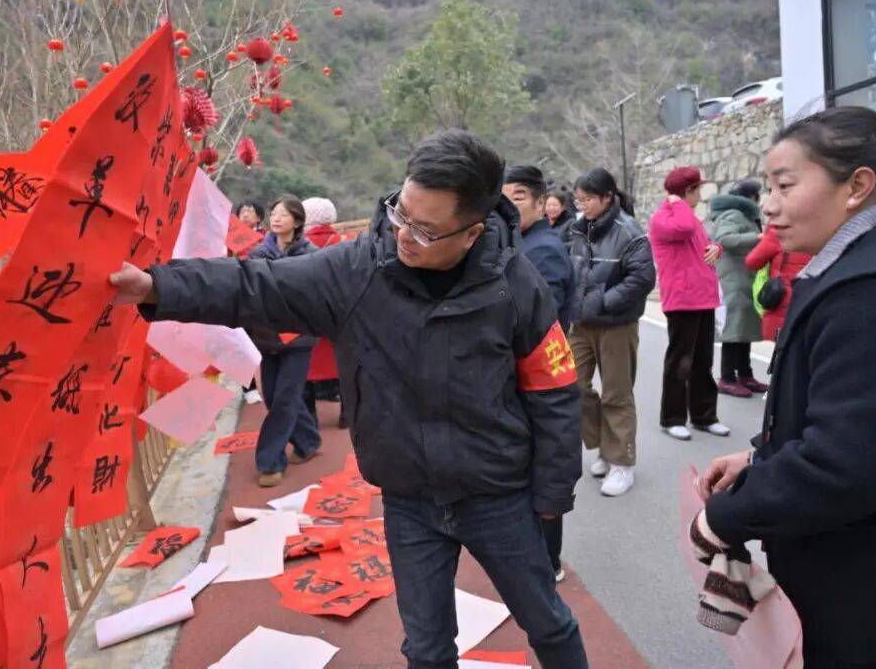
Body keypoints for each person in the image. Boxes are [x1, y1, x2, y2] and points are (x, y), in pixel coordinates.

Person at [111, 130, 589, 668]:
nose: (404, 234)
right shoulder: (356, 270)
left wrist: (552, 493)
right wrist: (156, 287)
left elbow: (553, 392)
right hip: (409, 498)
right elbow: (256, 284)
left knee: (547, 622)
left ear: (472, 232)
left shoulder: (516, 285)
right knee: (427, 648)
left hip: (496, 494)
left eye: (426, 230)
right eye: (401, 213)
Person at [695, 106, 876, 668]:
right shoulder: (874, 262)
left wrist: (722, 518)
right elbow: (862, 420)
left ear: (858, 187)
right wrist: (763, 456)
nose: (768, 205)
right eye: (768, 187)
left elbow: (844, 467)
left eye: (785, 185)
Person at [502, 164, 575, 582]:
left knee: (541, 469)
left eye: (518, 198)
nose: (509, 207)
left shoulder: (542, 249)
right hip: (529, 373)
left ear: (540, 202)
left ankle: (548, 562)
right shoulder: (522, 242)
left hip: (540, 376)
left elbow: (540, 318)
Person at [564, 168, 655, 497]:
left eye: (588, 199)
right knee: (572, 386)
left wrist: (602, 301)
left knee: (617, 394)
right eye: (579, 200)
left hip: (616, 324)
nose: (582, 206)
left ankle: (621, 463)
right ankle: (604, 445)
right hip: (580, 324)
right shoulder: (576, 228)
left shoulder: (628, 231)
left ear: (607, 197)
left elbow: (642, 278)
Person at [244, 195, 321, 487]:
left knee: (285, 398)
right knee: (274, 397)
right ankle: (309, 440)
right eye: (274, 213)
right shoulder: (258, 253)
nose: (276, 218)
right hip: (268, 336)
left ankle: (270, 462)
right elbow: (251, 290)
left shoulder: (311, 255)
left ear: (297, 221)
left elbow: (315, 293)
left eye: (284, 214)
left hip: (299, 337)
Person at [648, 166, 730, 441]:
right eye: (697, 190)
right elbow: (683, 229)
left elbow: (704, 242)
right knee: (680, 362)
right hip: (682, 300)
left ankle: (704, 416)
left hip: (703, 297)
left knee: (702, 361)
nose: (700, 195)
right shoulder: (664, 218)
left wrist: (716, 248)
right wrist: (676, 202)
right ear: (688, 191)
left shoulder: (689, 217)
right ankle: (672, 418)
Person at [707, 180, 767, 398]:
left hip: (745, 277)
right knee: (734, 328)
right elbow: (724, 239)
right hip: (733, 278)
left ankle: (745, 374)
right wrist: (758, 237)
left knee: (745, 328)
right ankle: (727, 378)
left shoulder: (744, 215)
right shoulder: (733, 214)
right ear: (751, 197)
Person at [301, 196, 346, 428]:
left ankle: (311, 419)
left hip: (308, 313)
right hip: (340, 313)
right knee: (344, 364)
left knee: (307, 368)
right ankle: (347, 415)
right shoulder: (345, 241)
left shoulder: (298, 245)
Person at [744, 224, 811, 342]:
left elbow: (752, 262)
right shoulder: (823, 229)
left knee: (782, 346)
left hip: (783, 299)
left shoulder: (779, 230)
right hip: (812, 296)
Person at [233, 197, 268, 403]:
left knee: (264, 339)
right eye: (242, 212)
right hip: (239, 294)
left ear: (259, 217)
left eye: (250, 211)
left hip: (264, 293)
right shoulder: (229, 239)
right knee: (242, 341)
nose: (245, 215)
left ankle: (269, 383)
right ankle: (248, 387)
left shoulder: (268, 238)